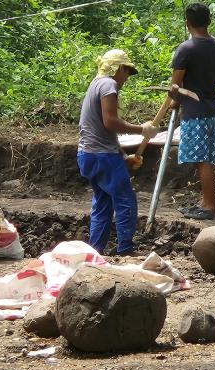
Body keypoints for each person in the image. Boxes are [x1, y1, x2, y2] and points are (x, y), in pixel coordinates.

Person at [77, 49, 159, 256]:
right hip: (102, 156)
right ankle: (125, 249)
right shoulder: (108, 85)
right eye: (128, 72)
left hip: (88, 155)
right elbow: (110, 122)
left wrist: (123, 157)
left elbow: (102, 131)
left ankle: (95, 251)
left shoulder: (95, 84)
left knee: (103, 203)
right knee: (125, 201)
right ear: (120, 68)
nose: (127, 78)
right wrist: (142, 129)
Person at [170, 2, 215, 220]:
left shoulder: (186, 48)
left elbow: (175, 87)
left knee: (203, 159)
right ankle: (206, 202)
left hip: (196, 112)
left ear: (187, 23)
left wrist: (175, 99)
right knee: (203, 156)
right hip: (212, 109)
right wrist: (206, 82)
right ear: (208, 21)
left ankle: (212, 207)